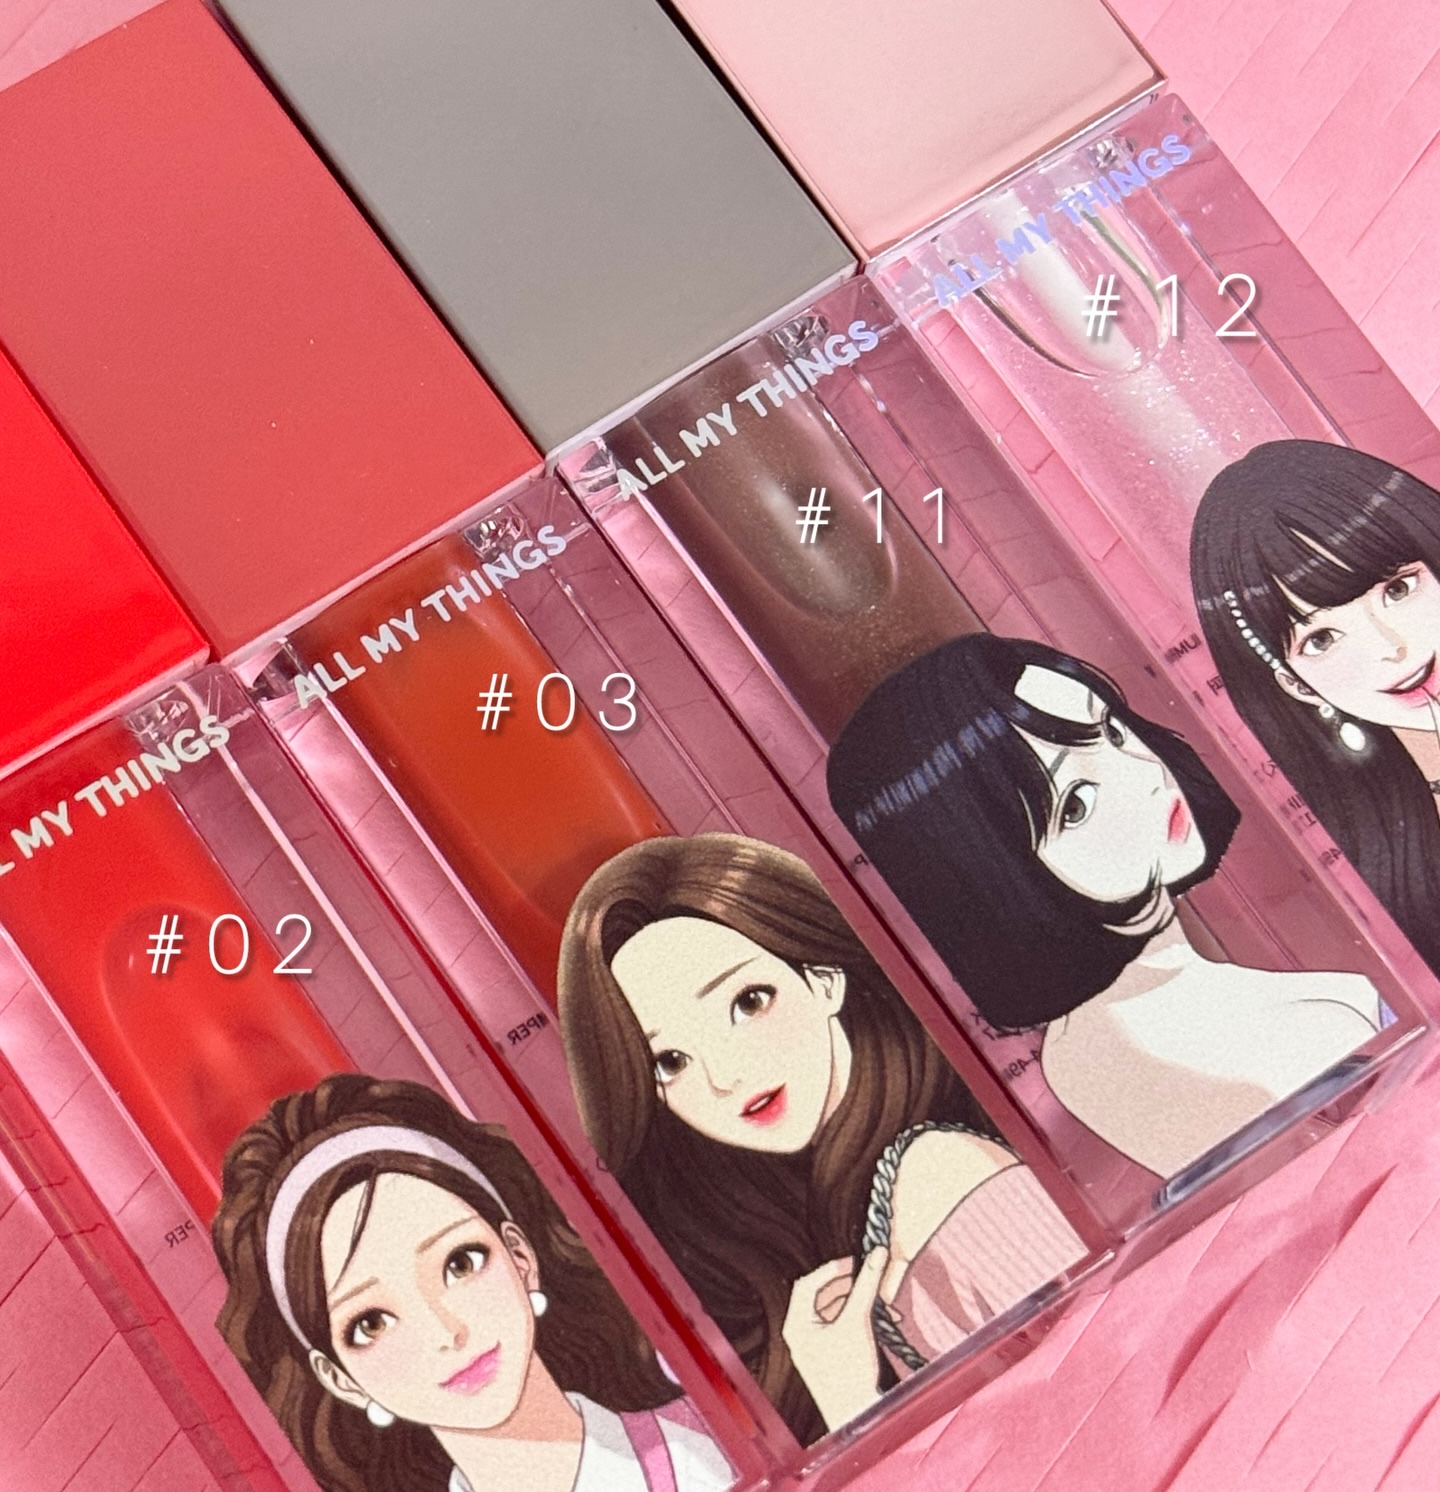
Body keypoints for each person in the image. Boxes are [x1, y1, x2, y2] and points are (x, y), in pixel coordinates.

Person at [557, 834, 1088, 1443]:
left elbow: (1110, 1388)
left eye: (748, 1002)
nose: (725, 1076)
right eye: (671, 1061)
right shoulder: (807, 1228)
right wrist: (845, 1399)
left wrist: (854, 1411)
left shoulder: (945, 1178)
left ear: (825, 979)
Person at [826, 635, 1382, 1180]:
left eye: (1112, 731)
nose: (1145, 775)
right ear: (990, 874)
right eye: (1076, 804)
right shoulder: (1147, 1045)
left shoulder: (1110, 1030)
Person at [211, 1073, 734, 1492]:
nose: (446, 1331)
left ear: (520, 1255)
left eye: (460, 1264)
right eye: (371, 1323)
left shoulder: (705, 1443)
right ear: (338, 1377)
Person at [1192, 438, 1440, 977]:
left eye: (1398, 590)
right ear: (1294, 685)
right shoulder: (1382, 854)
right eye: (1322, 639)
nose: (1392, 647)